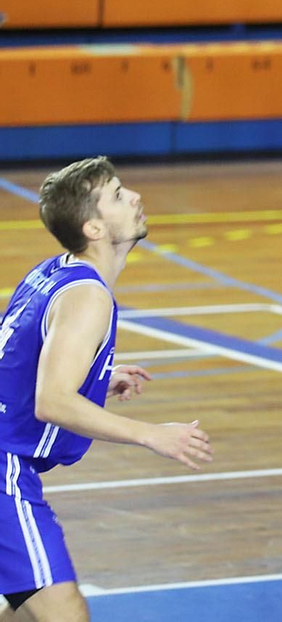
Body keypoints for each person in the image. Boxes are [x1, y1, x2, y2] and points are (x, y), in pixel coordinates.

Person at [0, 157, 213, 620]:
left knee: (20, 606)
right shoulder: (87, 296)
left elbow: (15, 350)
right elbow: (52, 400)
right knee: (65, 612)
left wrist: (95, 374)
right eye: (117, 195)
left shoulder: (53, 270)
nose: (135, 197)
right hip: (2, 468)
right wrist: (151, 434)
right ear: (94, 228)